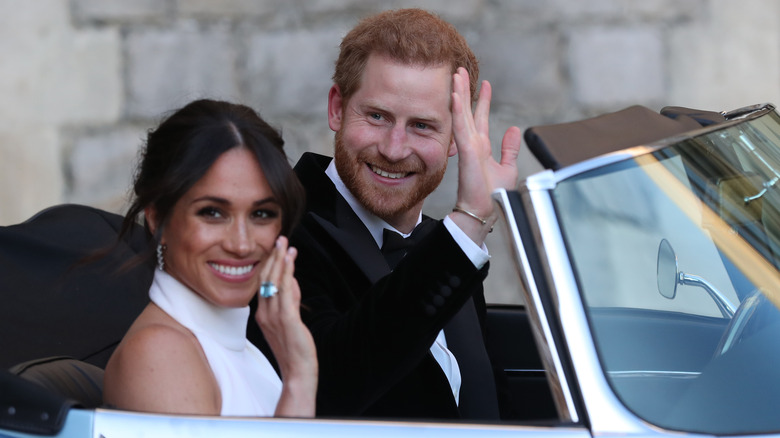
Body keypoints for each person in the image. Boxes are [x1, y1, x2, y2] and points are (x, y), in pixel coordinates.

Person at [247, 8, 521, 420]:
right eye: (377, 116)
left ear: (454, 139)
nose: (394, 148)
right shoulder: (276, 227)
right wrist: (468, 224)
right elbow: (328, 386)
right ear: (337, 108)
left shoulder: (443, 244)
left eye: (423, 126)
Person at [103, 99, 317, 417]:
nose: (242, 244)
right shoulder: (160, 353)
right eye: (213, 213)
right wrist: (299, 381)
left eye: (261, 213)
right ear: (157, 217)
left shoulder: (242, 350)